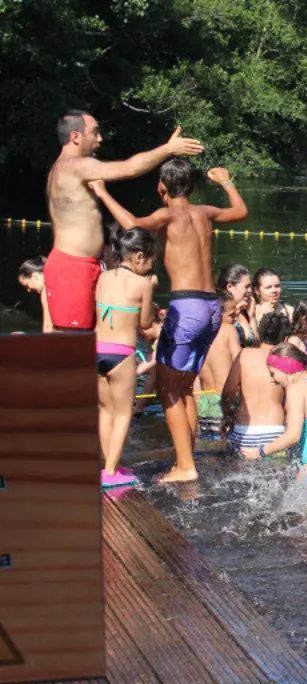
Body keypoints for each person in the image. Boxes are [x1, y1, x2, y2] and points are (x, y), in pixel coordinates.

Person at [91, 159, 248, 483]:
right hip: (211, 307)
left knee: (167, 391)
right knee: (184, 388)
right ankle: (186, 458)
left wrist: (102, 192)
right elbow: (240, 212)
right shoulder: (204, 212)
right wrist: (227, 182)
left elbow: (132, 223)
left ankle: (186, 467)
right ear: (190, 187)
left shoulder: (167, 214)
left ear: (162, 187)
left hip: (187, 305)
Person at [45, 111, 202, 331]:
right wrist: (168, 149)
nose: (100, 139)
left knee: (89, 339)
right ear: (75, 137)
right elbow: (129, 168)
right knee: (74, 342)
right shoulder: (74, 166)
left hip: (82, 265)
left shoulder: (68, 167)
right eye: (95, 132)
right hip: (72, 268)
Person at [94, 228, 158, 488]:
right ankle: (110, 473)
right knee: (122, 414)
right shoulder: (143, 283)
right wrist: (151, 291)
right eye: (152, 261)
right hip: (122, 354)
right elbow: (144, 323)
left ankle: (109, 464)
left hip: (96, 350)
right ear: (140, 257)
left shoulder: (103, 277)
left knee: (105, 410)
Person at [240, 344, 307, 480]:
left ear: (286, 368)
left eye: (273, 373)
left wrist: (259, 451)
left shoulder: (296, 389)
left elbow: (293, 435)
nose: (272, 379)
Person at [221, 314, 291, 454]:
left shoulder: (245, 354)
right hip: (274, 432)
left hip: (244, 431)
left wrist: (228, 416)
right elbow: (290, 403)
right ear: (285, 339)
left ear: (259, 333)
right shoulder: (287, 360)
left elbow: (228, 392)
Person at [195, 294, 244, 437]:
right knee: (226, 446)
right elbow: (239, 362)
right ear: (217, 314)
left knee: (208, 446)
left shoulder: (198, 335)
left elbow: (194, 375)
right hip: (225, 401)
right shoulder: (228, 330)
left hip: (204, 402)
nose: (236, 318)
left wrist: (197, 403)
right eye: (231, 315)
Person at [217, 264, 257, 346]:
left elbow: (256, 345)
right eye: (247, 286)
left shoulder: (246, 310)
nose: (250, 290)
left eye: (250, 286)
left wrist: (252, 317)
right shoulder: (221, 311)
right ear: (230, 287)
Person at [17, 257, 52, 332]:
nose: (28, 290)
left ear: (35, 277)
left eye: (27, 285)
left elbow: (48, 328)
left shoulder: (46, 292)